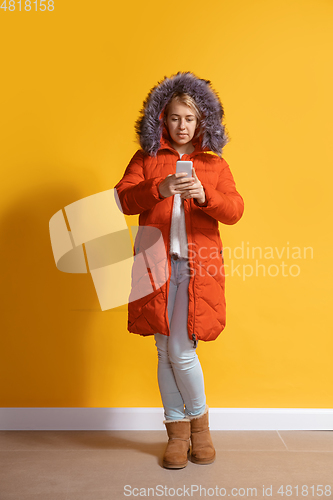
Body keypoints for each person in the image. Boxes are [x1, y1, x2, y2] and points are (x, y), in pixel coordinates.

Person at [114, 71, 244, 469]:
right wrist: (159, 188)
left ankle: (200, 428)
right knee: (161, 348)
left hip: (196, 268)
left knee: (180, 350)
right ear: (161, 119)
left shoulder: (214, 164)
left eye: (189, 118)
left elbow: (236, 210)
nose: (182, 125)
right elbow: (122, 199)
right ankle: (177, 433)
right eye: (174, 117)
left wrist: (206, 195)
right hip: (155, 263)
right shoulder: (146, 159)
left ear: (203, 120)